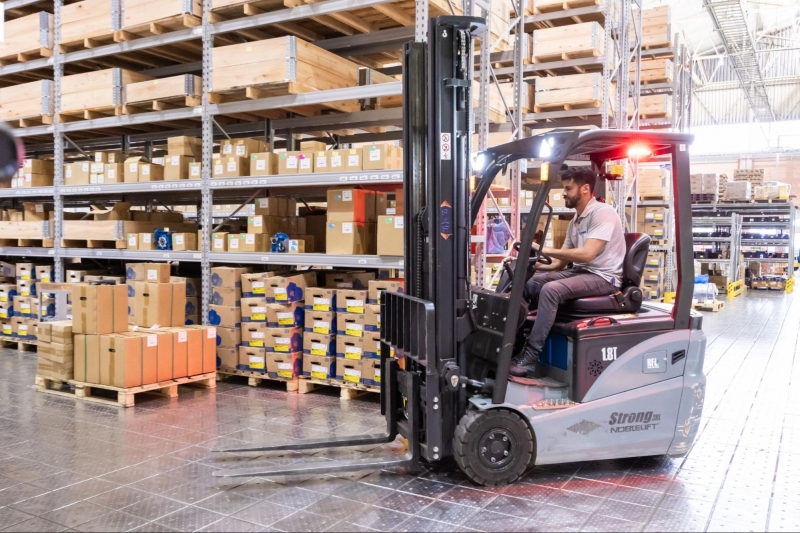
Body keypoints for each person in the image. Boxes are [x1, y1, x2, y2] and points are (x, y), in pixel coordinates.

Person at [510, 166, 626, 378]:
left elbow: (587, 254)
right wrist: (530, 264)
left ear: (585, 189)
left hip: (603, 277)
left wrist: (543, 249)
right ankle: (512, 345)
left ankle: (530, 356)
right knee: (529, 285)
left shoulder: (603, 213)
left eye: (568, 188)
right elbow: (558, 263)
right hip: (583, 272)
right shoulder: (576, 221)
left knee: (551, 290)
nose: (563, 192)